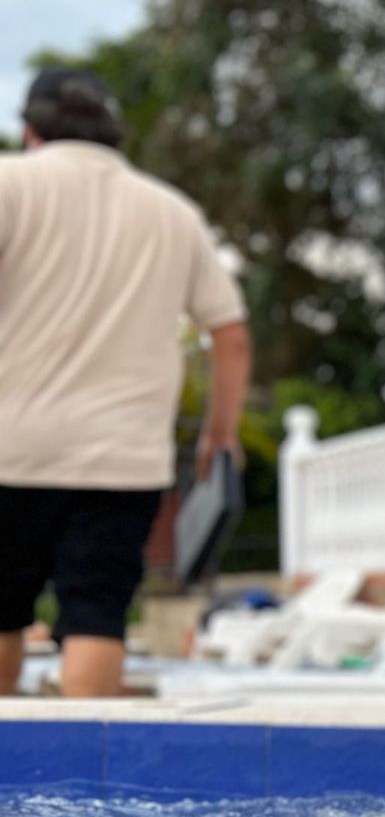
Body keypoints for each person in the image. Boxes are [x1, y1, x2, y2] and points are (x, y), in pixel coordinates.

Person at [0, 68, 251, 698]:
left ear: (30, 129)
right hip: (124, 458)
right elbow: (231, 334)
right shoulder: (172, 211)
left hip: (11, 445)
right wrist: (219, 434)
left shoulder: (9, 184)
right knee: (97, 615)